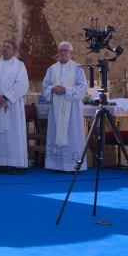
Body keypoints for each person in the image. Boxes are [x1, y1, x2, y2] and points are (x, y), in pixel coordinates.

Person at [0, 40, 29, 174]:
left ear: (14, 51)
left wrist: (6, 97)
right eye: (3, 46)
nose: (4, 48)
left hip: (12, 105)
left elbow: (22, 84)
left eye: (7, 47)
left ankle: (15, 164)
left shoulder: (19, 66)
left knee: (13, 135)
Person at [42, 42, 88, 172]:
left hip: (72, 107)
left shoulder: (78, 68)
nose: (63, 53)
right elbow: (45, 85)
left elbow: (83, 87)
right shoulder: (51, 69)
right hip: (56, 107)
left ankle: (73, 164)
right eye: (61, 50)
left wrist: (66, 90)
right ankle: (56, 165)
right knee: (56, 131)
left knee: (72, 133)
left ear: (71, 53)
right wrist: (52, 88)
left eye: (66, 51)